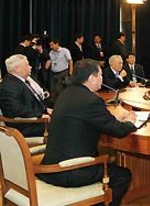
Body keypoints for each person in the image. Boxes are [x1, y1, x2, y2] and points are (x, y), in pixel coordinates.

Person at [38, 59, 137, 206]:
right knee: (123, 175)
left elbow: (87, 118)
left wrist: (113, 117)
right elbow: (119, 131)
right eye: (101, 75)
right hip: (72, 170)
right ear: (92, 78)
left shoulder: (66, 93)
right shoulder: (91, 100)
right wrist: (130, 121)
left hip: (50, 166)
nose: (102, 78)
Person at [0, 54, 50, 137]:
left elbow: (30, 102)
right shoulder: (8, 86)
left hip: (34, 121)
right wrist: (40, 115)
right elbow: (17, 109)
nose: (30, 67)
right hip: (25, 126)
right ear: (17, 68)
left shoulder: (21, 81)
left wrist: (45, 109)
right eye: (27, 65)